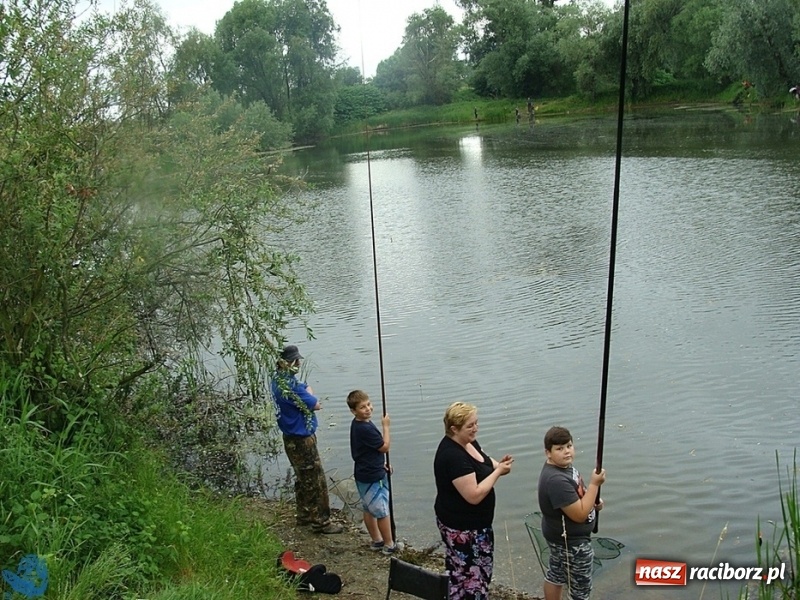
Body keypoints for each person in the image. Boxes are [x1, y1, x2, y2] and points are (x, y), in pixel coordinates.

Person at [433, 402, 514, 599]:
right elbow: (474, 496)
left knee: (461, 571)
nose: (475, 428)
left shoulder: (469, 443)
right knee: (472, 576)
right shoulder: (453, 456)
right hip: (464, 530)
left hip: (475, 525)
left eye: (476, 423)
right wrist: (498, 474)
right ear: (454, 429)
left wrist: (500, 467)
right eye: (470, 426)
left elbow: (489, 464)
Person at [270, 345, 343, 534]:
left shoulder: (277, 380)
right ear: (288, 363)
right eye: (296, 361)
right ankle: (321, 522)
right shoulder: (291, 387)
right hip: (302, 440)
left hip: (289, 438)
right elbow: (315, 404)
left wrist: (306, 389)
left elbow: (302, 387)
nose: (299, 363)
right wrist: (310, 392)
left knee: (302, 477)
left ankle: (304, 515)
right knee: (316, 480)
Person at [537, 426, 607, 600]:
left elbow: (579, 496)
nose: (566, 452)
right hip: (571, 544)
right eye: (559, 449)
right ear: (548, 453)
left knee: (557, 574)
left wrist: (593, 503)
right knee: (580, 589)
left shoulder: (565, 468)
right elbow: (579, 515)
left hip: (560, 538)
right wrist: (594, 485)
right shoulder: (556, 480)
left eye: (569, 446)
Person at [347, 390, 399, 554]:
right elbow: (384, 446)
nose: (368, 409)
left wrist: (381, 464)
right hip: (373, 477)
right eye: (362, 407)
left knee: (369, 508)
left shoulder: (358, 424)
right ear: (354, 411)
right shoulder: (366, 429)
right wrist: (386, 427)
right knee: (382, 511)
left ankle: (377, 540)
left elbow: (369, 451)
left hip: (364, 472)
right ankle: (389, 545)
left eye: (369, 404)